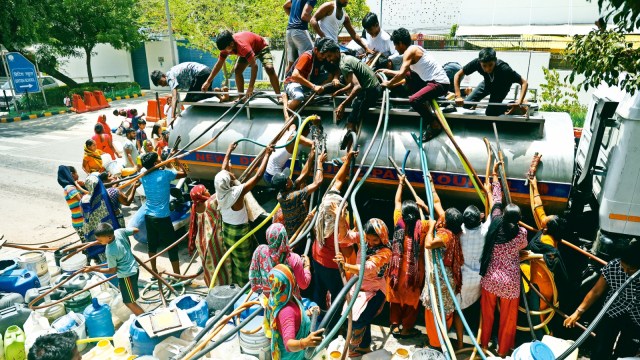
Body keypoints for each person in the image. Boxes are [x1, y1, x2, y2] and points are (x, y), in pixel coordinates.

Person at [479, 171, 527, 357]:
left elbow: (496, 202)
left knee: (487, 314)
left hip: (490, 279)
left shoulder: (495, 221)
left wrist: (495, 179)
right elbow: (522, 247)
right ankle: (502, 352)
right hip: (510, 284)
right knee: (508, 320)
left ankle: (483, 345)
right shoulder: (521, 234)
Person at [564, 241, 640, 359]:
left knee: (626, 352)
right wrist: (578, 312)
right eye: (623, 267)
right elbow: (596, 291)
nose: (625, 272)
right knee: (601, 348)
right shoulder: (614, 265)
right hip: (612, 308)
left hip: (636, 316)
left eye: (630, 270)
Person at [214, 142, 274, 285]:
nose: (229, 172)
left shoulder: (220, 191)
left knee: (235, 262)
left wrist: (228, 150)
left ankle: (235, 285)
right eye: (229, 174)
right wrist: (267, 154)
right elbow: (258, 176)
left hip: (227, 231)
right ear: (229, 183)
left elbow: (223, 170)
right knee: (245, 265)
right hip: (239, 234)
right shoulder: (236, 194)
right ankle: (245, 290)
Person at [378, 28, 450, 142]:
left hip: (439, 83)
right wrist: (387, 72)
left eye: (395, 45)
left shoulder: (409, 52)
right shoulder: (415, 49)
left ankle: (434, 125)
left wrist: (388, 83)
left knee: (414, 100)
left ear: (401, 43)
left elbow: (401, 74)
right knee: (410, 76)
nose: (395, 48)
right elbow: (406, 74)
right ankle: (425, 103)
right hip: (433, 82)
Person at [334, 218, 392, 357]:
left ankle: (355, 348)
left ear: (382, 238)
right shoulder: (364, 238)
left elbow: (368, 268)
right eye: (369, 239)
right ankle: (364, 346)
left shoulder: (385, 252)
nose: (370, 243)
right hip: (358, 285)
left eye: (375, 240)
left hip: (375, 289)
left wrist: (346, 266)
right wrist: (341, 221)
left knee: (360, 320)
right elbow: (346, 237)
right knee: (353, 316)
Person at [312, 149, 359, 311]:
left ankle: (317, 317)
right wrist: (354, 235)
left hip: (316, 259)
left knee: (319, 291)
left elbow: (337, 182)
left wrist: (347, 162)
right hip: (331, 267)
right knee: (337, 295)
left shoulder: (323, 212)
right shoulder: (339, 230)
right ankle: (332, 324)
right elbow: (347, 254)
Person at [421, 178, 465, 349]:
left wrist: (431, 227)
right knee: (445, 310)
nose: (441, 216)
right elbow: (437, 202)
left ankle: (436, 344)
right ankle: (441, 340)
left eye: (443, 216)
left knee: (435, 311)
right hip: (444, 278)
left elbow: (428, 244)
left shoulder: (445, 235)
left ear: (446, 222)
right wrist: (431, 184)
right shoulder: (450, 227)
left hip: (441, 279)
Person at [387, 175, 429, 338]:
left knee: (396, 301)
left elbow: (397, 202)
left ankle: (395, 325)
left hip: (396, 276)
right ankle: (406, 329)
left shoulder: (398, 221)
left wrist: (400, 183)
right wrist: (424, 207)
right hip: (413, 278)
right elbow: (439, 221)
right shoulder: (423, 226)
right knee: (412, 305)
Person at [140, 152, 187, 276]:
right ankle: (177, 275)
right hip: (162, 217)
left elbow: (149, 170)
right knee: (172, 246)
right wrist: (177, 163)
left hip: (148, 216)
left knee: (152, 245)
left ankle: (154, 272)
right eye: (159, 159)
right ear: (156, 163)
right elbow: (185, 174)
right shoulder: (165, 174)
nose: (161, 160)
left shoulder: (142, 176)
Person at [264, 264, 325, 360]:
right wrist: (305, 342)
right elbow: (289, 344)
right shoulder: (287, 311)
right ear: (288, 282)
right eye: (292, 275)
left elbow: (292, 319)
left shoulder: (280, 296)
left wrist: (308, 312)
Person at [202, 31, 281, 100]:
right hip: (248, 51)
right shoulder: (226, 48)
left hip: (260, 47)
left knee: (269, 69)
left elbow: (255, 66)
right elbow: (219, 64)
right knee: (238, 70)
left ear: (231, 44)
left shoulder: (243, 47)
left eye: (225, 49)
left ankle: (279, 97)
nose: (224, 52)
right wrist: (208, 81)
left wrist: (250, 87)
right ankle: (241, 98)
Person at [453, 48, 529, 116]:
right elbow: (457, 75)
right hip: (487, 83)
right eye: (484, 66)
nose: (488, 69)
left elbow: (524, 82)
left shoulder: (504, 69)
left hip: (501, 87)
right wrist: (458, 96)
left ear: (495, 61)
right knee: (466, 104)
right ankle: (475, 101)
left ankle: (516, 104)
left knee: (490, 112)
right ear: (480, 62)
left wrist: (520, 101)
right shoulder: (476, 63)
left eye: (490, 65)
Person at [91, 223, 145, 315]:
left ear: (109, 237)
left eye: (99, 240)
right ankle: (139, 313)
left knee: (129, 303)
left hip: (127, 275)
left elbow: (112, 270)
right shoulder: (118, 232)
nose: (98, 241)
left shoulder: (110, 250)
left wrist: (94, 269)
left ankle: (145, 319)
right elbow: (136, 230)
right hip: (134, 267)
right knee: (126, 293)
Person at [273, 144, 326, 237]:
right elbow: (317, 182)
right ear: (287, 185)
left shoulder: (281, 194)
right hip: (297, 232)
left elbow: (302, 175)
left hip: (293, 228)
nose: (290, 178)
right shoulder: (292, 197)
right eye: (288, 178)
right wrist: (319, 162)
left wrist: (311, 156)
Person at [250, 223, 312, 297]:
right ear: (284, 237)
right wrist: (307, 267)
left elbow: (253, 276)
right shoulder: (294, 259)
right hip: (287, 302)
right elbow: (303, 285)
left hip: (268, 298)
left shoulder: (260, 250)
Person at [188, 184, 233, 286]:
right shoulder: (211, 202)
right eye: (206, 190)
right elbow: (223, 191)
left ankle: (213, 290)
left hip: (201, 242)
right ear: (202, 194)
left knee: (210, 269)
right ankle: (224, 291)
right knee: (222, 267)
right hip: (213, 241)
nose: (208, 191)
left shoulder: (194, 206)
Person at [333, 53, 382, 143]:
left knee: (352, 119)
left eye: (330, 56)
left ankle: (350, 149)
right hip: (372, 87)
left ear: (336, 52)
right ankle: (351, 138)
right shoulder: (347, 58)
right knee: (355, 107)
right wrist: (341, 91)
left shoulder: (343, 65)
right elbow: (353, 83)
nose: (329, 59)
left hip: (370, 91)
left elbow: (357, 87)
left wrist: (342, 105)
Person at [284, 37, 341, 112]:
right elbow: (295, 76)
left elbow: (336, 70)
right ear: (316, 50)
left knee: (330, 76)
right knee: (298, 97)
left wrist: (336, 78)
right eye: (322, 54)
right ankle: (288, 113)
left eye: (326, 55)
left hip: (310, 82)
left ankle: (313, 94)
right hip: (294, 82)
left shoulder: (323, 58)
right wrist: (313, 87)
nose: (324, 57)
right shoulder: (307, 56)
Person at [151, 62, 216, 121]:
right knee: (201, 93)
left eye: (161, 82)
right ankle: (217, 92)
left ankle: (214, 92)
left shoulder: (170, 77)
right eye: (160, 85)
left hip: (200, 73)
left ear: (163, 76)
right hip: (207, 71)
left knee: (189, 99)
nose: (162, 85)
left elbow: (174, 97)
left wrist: (172, 117)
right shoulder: (172, 73)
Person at [284, 0, 317, 71]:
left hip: (289, 31)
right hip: (300, 31)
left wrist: (294, 18)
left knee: (291, 64)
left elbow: (285, 6)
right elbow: (305, 15)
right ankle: (302, 81)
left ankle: (287, 82)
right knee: (309, 58)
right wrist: (315, 22)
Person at [57, 166, 87, 242]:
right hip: (80, 222)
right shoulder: (69, 188)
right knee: (87, 245)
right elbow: (82, 200)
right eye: (76, 173)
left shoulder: (73, 187)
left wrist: (83, 186)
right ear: (72, 174)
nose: (78, 175)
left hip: (81, 220)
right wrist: (78, 186)